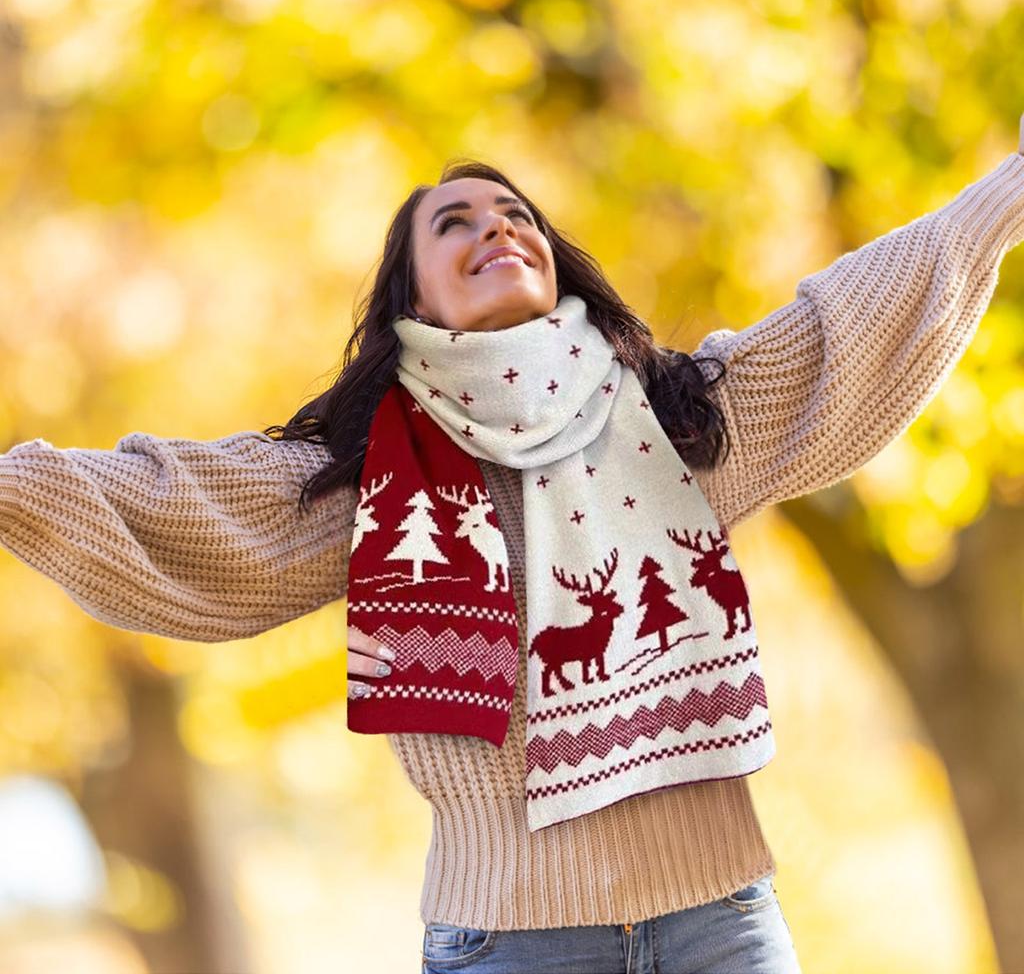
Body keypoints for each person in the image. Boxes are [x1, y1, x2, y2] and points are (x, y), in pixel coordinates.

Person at [2, 120, 1023, 973]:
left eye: (515, 214)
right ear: (415, 300)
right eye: (455, 223)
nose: (496, 228)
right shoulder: (368, 481)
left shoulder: (681, 417)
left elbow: (857, 314)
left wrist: (1009, 187)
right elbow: (172, 502)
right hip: (511, 943)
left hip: (722, 923)